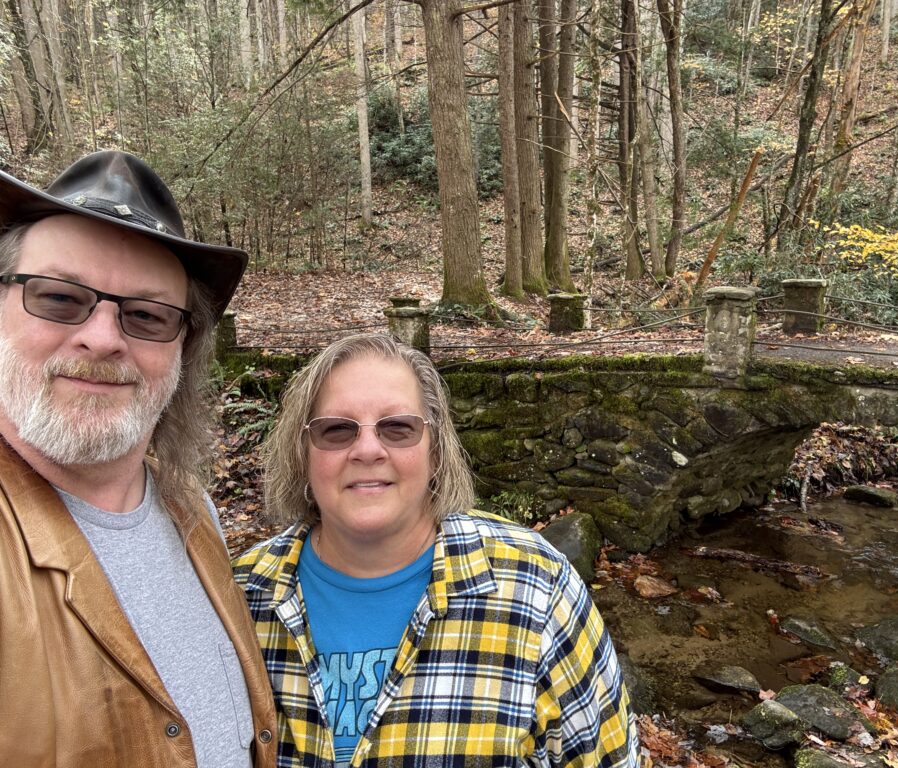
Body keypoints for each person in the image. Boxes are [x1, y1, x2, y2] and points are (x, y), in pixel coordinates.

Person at [233, 333, 639, 768]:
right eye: (336, 430)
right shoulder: (238, 596)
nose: (368, 449)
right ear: (302, 453)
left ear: (436, 450)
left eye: (397, 428)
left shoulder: (537, 589)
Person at [0, 151, 277, 767]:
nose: (102, 338)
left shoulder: (190, 510)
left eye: (146, 315)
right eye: (59, 298)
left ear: (182, 349)